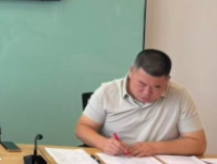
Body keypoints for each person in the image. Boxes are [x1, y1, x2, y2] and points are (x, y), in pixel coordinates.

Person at [75, 49, 206, 157]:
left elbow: (198, 144)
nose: (147, 93)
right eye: (142, 84)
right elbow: (82, 128)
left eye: (157, 87)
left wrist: (155, 147)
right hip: (116, 159)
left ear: (167, 80)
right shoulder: (107, 92)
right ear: (132, 72)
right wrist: (104, 143)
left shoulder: (180, 95)